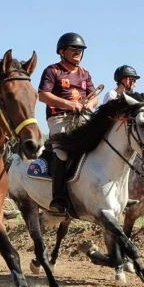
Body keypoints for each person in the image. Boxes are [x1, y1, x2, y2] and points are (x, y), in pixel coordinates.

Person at [37, 32, 97, 213]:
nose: (78, 52)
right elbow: (42, 95)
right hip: (59, 118)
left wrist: (89, 104)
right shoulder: (52, 70)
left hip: (82, 117)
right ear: (62, 51)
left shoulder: (85, 73)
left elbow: (94, 97)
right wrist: (68, 104)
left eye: (80, 49)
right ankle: (58, 198)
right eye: (74, 49)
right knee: (62, 151)